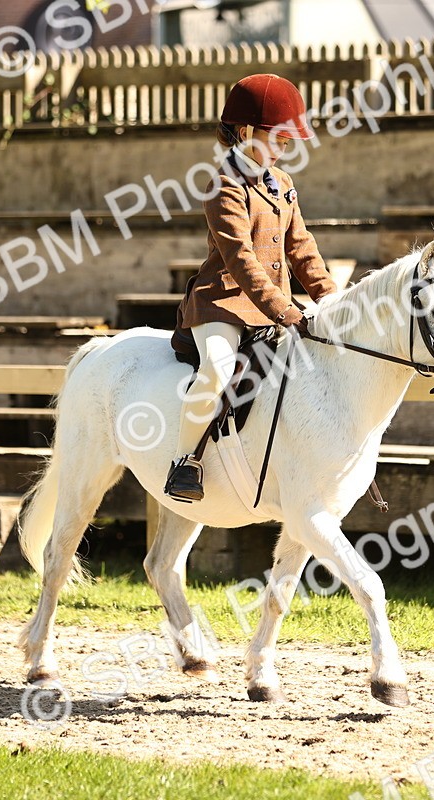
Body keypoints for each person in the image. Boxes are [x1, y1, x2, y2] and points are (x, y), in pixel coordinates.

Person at [164, 73, 338, 503]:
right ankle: (185, 460)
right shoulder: (223, 186)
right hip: (221, 304)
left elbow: (301, 247)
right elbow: (242, 261)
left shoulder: (284, 184)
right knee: (218, 371)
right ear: (245, 132)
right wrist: (287, 311)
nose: (285, 145)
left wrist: (330, 296)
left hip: (271, 306)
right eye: (277, 135)